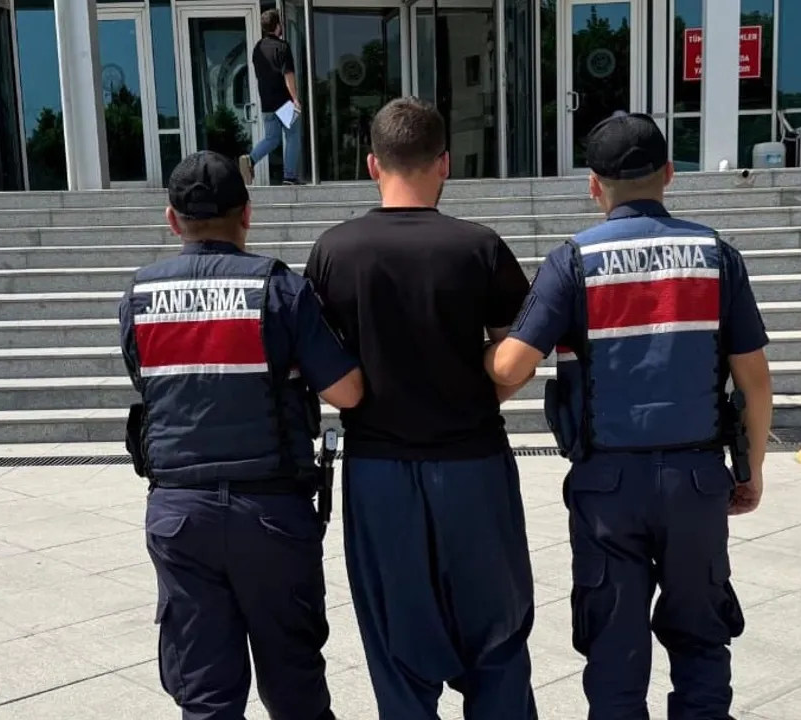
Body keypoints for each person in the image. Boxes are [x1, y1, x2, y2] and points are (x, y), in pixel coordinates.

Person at [484, 112, 773, 720]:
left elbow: (510, 367)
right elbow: (754, 379)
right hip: (697, 481)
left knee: (614, 646)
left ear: (594, 185)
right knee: (702, 637)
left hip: (608, 489)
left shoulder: (572, 262)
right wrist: (751, 471)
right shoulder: (716, 256)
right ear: (669, 174)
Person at [302, 97, 538, 720]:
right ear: (445, 163)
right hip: (474, 465)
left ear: (373, 165)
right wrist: (479, 393)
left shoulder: (334, 251)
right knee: (498, 644)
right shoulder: (480, 247)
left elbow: (324, 369)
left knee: (396, 651)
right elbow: (517, 356)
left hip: (379, 472)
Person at [119, 150, 363, 720]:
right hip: (271, 513)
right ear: (247, 214)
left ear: (172, 219)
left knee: (206, 697)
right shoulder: (278, 289)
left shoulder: (140, 297)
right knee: (296, 691)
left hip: (180, 515)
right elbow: (347, 393)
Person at [240, 9, 302, 186]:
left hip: (267, 102)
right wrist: (295, 99)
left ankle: (251, 159)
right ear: (277, 26)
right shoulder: (283, 47)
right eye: (280, 23)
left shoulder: (257, 49)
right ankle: (289, 176)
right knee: (293, 137)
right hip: (284, 102)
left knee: (272, 139)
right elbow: (288, 75)